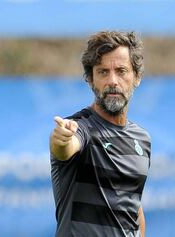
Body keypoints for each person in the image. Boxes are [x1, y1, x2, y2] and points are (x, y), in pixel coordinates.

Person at [49, 31, 151, 237]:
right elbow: (65, 147)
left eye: (121, 71)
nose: (112, 80)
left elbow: (133, 206)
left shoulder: (142, 139)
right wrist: (61, 140)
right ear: (90, 80)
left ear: (137, 77)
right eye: (103, 72)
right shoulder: (81, 128)